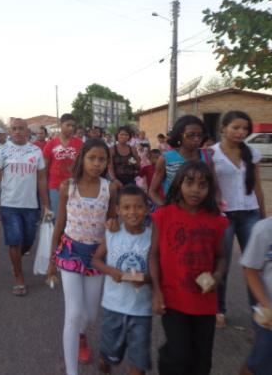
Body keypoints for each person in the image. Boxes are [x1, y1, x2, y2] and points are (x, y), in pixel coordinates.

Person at [46, 139, 117, 374]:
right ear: (82, 159)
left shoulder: (110, 188)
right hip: (70, 251)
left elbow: (113, 222)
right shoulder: (69, 186)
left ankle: (82, 336)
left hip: (97, 255)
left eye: (102, 159)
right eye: (92, 158)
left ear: (107, 162)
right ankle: (71, 370)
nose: (97, 164)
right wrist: (51, 260)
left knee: (90, 314)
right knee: (74, 313)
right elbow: (59, 224)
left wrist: (114, 227)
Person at [149, 161, 227, 375]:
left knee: (202, 362)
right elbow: (153, 255)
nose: (195, 189)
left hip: (204, 302)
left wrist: (217, 276)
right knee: (178, 355)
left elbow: (221, 257)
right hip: (173, 299)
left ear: (210, 189)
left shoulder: (217, 221)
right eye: (190, 182)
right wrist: (156, 291)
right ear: (178, 184)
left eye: (202, 185)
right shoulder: (164, 215)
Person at [0, 119, 50, 297]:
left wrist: (46, 205)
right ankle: (19, 278)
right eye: (14, 129)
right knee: (14, 240)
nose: (18, 132)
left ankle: (16, 261)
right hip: (9, 205)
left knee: (27, 242)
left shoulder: (36, 151)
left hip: (30, 205)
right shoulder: (3, 151)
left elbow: (42, 179)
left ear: (28, 131)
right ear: (9, 132)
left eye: (21, 129)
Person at [212, 111, 266, 328]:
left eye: (245, 128)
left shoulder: (251, 153)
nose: (241, 132)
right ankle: (219, 310)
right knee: (221, 264)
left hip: (249, 213)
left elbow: (258, 188)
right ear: (224, 128)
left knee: (255, 264)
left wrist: (263, 217)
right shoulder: (211, 154)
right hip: (223, 216)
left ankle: (259, 309)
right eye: (236, 127)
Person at [92, 185, 153, 375]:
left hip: (142, 310)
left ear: (147, 208)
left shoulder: (153, 237)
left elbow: (158, 271)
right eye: (126, 208)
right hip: (114, 307)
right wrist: (111, 271)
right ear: (117, 210)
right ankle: (104, 363)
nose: (132, 212)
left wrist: (146, 278)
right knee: (108, 356)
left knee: (138, 361)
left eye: (138, 207)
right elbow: (95, 260)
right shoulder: (112, 233)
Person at [149, 115, 213, 205]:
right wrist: (165, 209)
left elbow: (214, 187)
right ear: (179, 136)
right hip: (174, 211)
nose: (196, 139)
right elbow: (152, 191)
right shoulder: (166, 159)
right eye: (190, 135)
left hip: (200, 211)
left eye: (200, 135)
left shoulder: (207, 157)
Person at [240, 216, 272, 375]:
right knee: (259, 366)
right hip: (270, 317)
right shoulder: (264, 229)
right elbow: (250, 271)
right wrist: (267, 306)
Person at [43, 114, 83, 219]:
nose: (71, 128)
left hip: (74, 186)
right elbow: (45, 169)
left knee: (73, 217)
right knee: (56, 217)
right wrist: (44, 190)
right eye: (68, 125)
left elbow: (82, 165)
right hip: (55, 186)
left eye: (73, 126)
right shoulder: (51, 144)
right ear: (61, 125)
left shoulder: (79, 143)